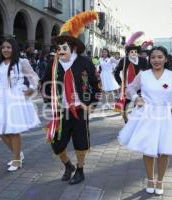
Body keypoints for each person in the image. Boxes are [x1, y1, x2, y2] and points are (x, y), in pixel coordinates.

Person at [118, 46, 172, 195]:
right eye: (153, 57)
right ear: (149, 59)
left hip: (166, 116)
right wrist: (136, 98)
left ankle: (160, 180)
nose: (156, 60)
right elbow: (130, 89)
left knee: (164, 150)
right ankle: (150, 179)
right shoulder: (143, 75)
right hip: (146, 115)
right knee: (148, 149)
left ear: (166, 59)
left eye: (160, 57)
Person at [41, 11, 100, 185]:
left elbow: (96, 86)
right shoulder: (53, 63)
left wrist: (89, 104)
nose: (59, 50)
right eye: (58, 47)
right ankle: (68, 166)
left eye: (63, 46)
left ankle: (80, 170)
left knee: (81, 142)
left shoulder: (85, 62)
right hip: (60, 111)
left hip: (80, 110)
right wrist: (48, 100)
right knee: (56, 143)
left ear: (72, 47)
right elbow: (44, 82)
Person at [0, 38, 40, 172]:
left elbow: (33, 76)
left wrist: (31, 88)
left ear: (14, 48)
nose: (5, 50)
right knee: (0, 129)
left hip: (16, 98)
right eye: (3, 47)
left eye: (9, 47)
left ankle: (16, 160)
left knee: (13, 130)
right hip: (2, 99)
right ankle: (18, 154)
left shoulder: (21, 62)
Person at [114, 31, 148, 122]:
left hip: (141, 86)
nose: (133, 53)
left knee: (139, 102)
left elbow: (148, 72)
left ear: (137, 52)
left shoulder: (143, 60)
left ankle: (137, 118)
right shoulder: (124, 60)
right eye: (131, 51)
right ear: (128, 53)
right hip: (127, 86)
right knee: (126, 103)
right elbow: (116, 71)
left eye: (135, 51)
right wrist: (121, 83)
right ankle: (125, 118)